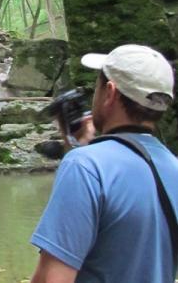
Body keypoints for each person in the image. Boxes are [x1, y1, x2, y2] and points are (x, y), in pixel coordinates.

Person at [30, 44, 178, 283]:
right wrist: (78, 148)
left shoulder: (85, 167)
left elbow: (51, 279)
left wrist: (78, 157)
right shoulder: (173, 167)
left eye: (96, 86)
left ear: (110, 92)